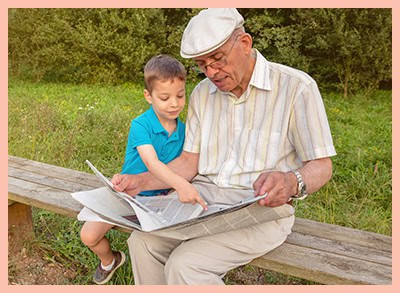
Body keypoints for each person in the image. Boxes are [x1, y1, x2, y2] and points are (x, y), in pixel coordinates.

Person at [112, 8, 336, 285]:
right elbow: (188, 162)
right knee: (142, 242)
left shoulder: (296, 87)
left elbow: (322, 166)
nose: (211, 72)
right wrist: (139, 182)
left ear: (244, 44)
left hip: (260, 210)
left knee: (186, 265)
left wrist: (292, 181)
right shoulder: (202, 93)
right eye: (201, 65)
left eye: (217, 59)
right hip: (202, 200)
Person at [80, 54, 206, 285]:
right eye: (165, 97)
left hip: (161, 200)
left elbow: (188, 165)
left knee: (169, 243)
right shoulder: (141, 124)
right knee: (88, 235)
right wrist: (181, 185)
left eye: (180, 95)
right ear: (149, 96)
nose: (175, 104)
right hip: (130, 194)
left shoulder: (186, 130)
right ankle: (110, 260)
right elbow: (151, 163)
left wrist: (179, 187)